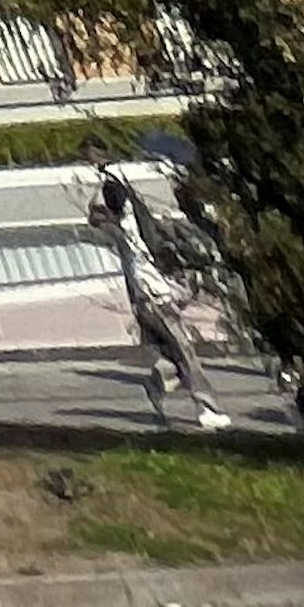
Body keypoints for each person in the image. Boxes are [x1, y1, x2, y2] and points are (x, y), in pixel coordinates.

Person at [95, 170, 226, 429]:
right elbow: (101, 214)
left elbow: (120, 209)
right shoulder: (122, 229)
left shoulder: (131, 224)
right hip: (153, 299)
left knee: (173, 355)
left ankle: (157, 385)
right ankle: (207, 407)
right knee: (185, 352)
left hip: (153, 298)